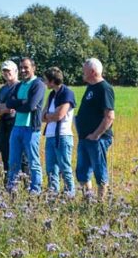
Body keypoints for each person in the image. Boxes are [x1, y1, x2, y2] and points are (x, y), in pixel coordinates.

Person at [1, 57, 46, 194]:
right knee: (12, 162)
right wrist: (23, 102)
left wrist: (18, 103)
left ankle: (35, 191)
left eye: (26, 67)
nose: (23, 70)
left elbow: (31, 106)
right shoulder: (19, 85)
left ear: (33, 68)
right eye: (21, 67)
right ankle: (11, 190)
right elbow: (9, 102)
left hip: (31, 129)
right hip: (17, 127)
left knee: (33, 162)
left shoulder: (38, 84)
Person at [75, 58, 115, 200]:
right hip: (85, 138)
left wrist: (96, 134)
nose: (82, 73)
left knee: (100, 172)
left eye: (84, 70)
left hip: (98, 139)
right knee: (82, 172)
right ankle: (88, 201)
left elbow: (109, 116)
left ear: (92, 72)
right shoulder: (90, 87)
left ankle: (101, 203)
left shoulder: (104, 88)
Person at [42, 67, 76, 196]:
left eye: (46, 80)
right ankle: (53, 195)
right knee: (51, 169)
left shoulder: (67, 93)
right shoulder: (52, 95)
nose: (44, 82)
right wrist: (50, 115)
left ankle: (70, 195)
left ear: (52, 81)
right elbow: (42, 116)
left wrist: (49, 116)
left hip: (62, 135)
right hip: (50, 136)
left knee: (65, 168)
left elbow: (59, 115)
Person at [0, 60, 19, 182]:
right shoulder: (2, 89)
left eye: (8, 70)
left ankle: (21, 182)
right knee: (5, 154)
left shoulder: (20, 87)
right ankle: (7, 182)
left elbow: (17, 107)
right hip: (3, 123)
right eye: (4, 71)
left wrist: (5, 108)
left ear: (15, 71)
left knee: (18, 155)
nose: (6, 73)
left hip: (15, 123)